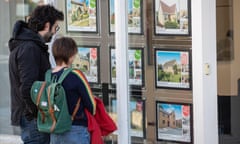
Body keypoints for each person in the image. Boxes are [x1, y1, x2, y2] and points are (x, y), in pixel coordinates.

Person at [8, 5, 64, 144]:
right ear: (47, 25)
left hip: (33, 117)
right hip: (34, 119)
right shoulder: (30, 48)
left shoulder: (28, 45)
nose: (55, 33)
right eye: (55, 28)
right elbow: (28, 87)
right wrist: (38, 113)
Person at [50, 37, 96, 144]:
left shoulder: (48, 76)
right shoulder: (75, 75)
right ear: (71, 56)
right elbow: (92, 107)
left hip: (54, 130)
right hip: (75, 130)